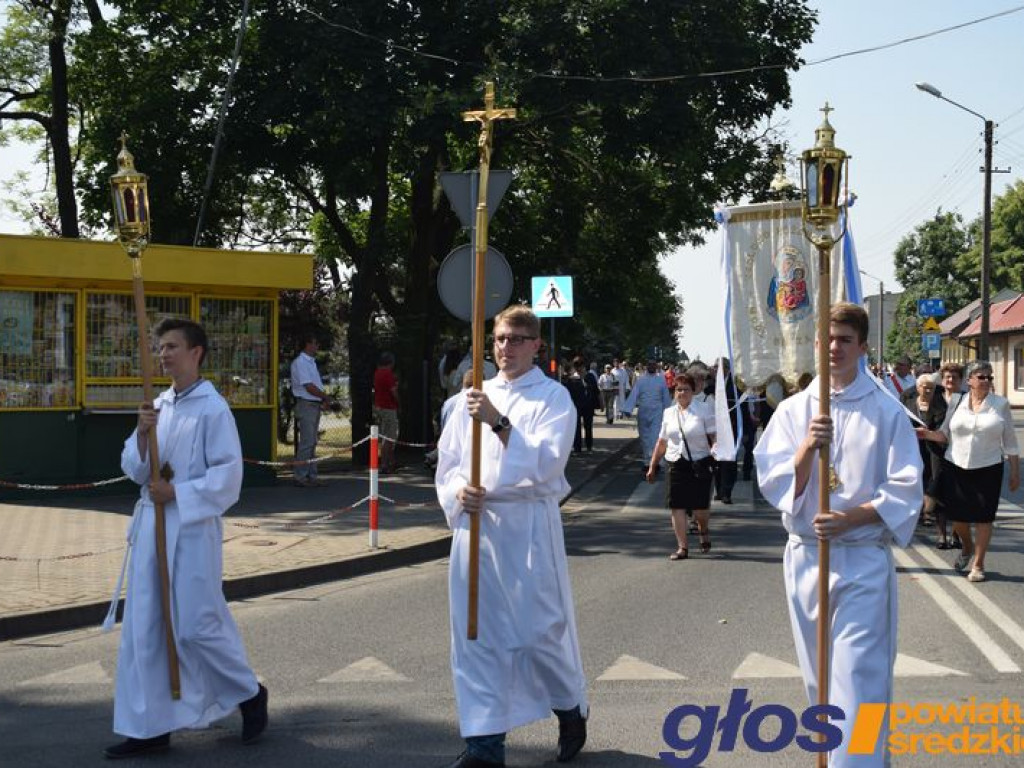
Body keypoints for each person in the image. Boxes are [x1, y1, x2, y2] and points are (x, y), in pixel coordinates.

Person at [754, 302, 923, 768]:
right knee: (821, 681)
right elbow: (772, 480)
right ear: (815, 344)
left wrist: (853, 518)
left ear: (862, 347)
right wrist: (808, 446)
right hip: (807, 559)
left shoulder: (886, 411)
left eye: (845, 340)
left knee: (859, 681)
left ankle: (859, 762)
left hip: (861, 561)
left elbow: (907, 488)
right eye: (827, 339)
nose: (834, 348)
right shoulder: (793, 410)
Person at [104, 318, 267, 759]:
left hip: (192, 529)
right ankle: (150, 726)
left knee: (196, 625)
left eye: (172, 346)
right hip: (152, 525)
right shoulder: (157, 405)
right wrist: (141, 433)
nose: (163, 354)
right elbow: (134, 470)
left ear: (196, 353)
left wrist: (178, 492)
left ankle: (249, 693)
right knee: (147, 628)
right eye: (160, 347)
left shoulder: (214, 409)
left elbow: (229, 477)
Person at [435, 306, 588, 768]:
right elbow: (449, 465)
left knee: (538, 634)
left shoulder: (553, 398)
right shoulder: (471, 400)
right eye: (500, 339)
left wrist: (500, 423)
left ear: (536, 345)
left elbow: (547, 465)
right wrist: (460, 492)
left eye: (517, 339)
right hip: (478, 528)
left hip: (527, 529)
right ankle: (484, 744)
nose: (506, 347)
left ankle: (569, 707)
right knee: (475, 635)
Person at [917, 360, 1020, 583]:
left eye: (990, 377)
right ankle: (967, 546)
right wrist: (925, 434)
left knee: (984, 518)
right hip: (956, 465)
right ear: (969, 381)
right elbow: (944, 434)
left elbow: (1010, 442)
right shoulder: (957, 401)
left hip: (989, 466)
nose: (987, 381)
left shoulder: (1000, 404)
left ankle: (978, 564)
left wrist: (1014, 472)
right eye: (981, 377)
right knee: (958, 518)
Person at [647, 373, 716, 559]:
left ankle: (703, 531)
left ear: (693, 391)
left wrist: (717, 449)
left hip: (699, 463)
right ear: (673, 392)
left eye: (686, 389)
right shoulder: (668, 413)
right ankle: (682, 547)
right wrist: (652, 465)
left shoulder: (703, 409)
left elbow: (713, 437)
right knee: (676, 506)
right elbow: (662, 441)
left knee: (700, 508)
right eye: (678, 389)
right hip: (675, 463)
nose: (682, 393)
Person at [907, 374, 948, 546]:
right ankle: (919, 515)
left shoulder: (941, 404)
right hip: (914, 447)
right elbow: (902, 422)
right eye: (924, 386)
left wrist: (929, 433)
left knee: (936, 482)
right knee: (917, 479)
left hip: (935, 449)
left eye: (931, 386)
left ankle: (938, 528)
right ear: (917, 388)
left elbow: (944, 427)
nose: (928, 389)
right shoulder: (908, 403)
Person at [929, 362, 966, 549]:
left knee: (959, 495)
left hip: (961, 453)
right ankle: (942, 535)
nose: (950, 380)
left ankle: (956, 534)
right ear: (942, 379)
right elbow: (927, 424)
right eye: (947, 377)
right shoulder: (935, 398)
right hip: (938, 453)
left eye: (954, 377)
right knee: (940, 495)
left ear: (961, 380)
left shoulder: (966, 399)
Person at [290, 333, 330, 487]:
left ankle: (311, 475)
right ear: (307, 344)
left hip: (312, 403)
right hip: (306, 404)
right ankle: (300, 476)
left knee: (312, 442)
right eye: (315, 343)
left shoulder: (310, 362)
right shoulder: (301, 363)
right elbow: (308, 386)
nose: (317, 346)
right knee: (307, 442)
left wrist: (321, 399)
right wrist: (325, 397)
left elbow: (314, 386)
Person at [622, 358, 672, 471]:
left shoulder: (661, 380)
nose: (651, 367)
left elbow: (665, 397)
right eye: (649, 365)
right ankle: (646, 461)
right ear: (646, 366)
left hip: (657, 412)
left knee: (655, 436)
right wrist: (628, 409)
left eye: (653, 365)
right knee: (644, 437)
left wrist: (669, 412)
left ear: (656, 367)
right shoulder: (641, 380)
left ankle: (655, 462)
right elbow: (634, 394)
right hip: (643, 411)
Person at [373, 351, 400, 473]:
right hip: (389, 407)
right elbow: (393, 391)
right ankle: (385, 464)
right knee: (389, 437)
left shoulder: (377, 373)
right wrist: (399, 402)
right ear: (391, 363)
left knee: (385, 434)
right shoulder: (388, 374)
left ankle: (391, 462)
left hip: (380, 406)